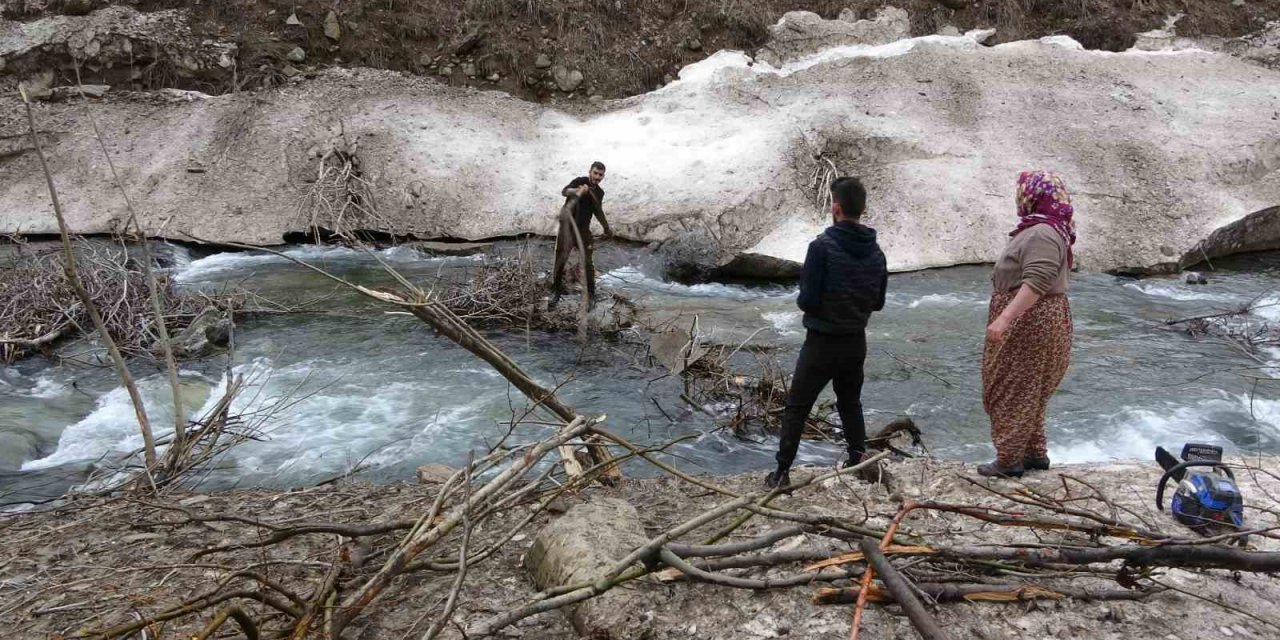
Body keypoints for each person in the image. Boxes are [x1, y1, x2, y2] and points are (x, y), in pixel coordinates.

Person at [765, 176, 888, 488]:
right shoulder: (877, 253)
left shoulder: (820, 248)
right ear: (862, 208)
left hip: (821, 342)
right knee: (851, 402)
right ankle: (857, 460)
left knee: (797, 407)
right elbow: (878, 303)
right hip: (856, 341)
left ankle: (781, 474)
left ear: (836, 207)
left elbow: (807, 301)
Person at [978, 170, 1076, 478]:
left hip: (1029, 322)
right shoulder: (1044, 229)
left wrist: (1004, 319)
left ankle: (1009, 460)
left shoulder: (1042, 233)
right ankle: (1034, 453)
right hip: (1038, 319)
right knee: (1028, 388)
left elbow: (1038, 279)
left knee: (1012, 387)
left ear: (1033, 195)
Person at [550, 161, 613, 308]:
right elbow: (564, 191)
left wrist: (606, 228)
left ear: (603, 176)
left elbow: (598, 211)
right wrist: (577, 191)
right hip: (567, 229)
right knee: (561, 260)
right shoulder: (579, 181)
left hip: (584, 231)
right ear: (590, 172)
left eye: (600, 175)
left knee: (588, 264)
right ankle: (556, 292)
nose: (597, 177)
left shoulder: (599, 192)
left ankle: (591, 295)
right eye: (595, 173)